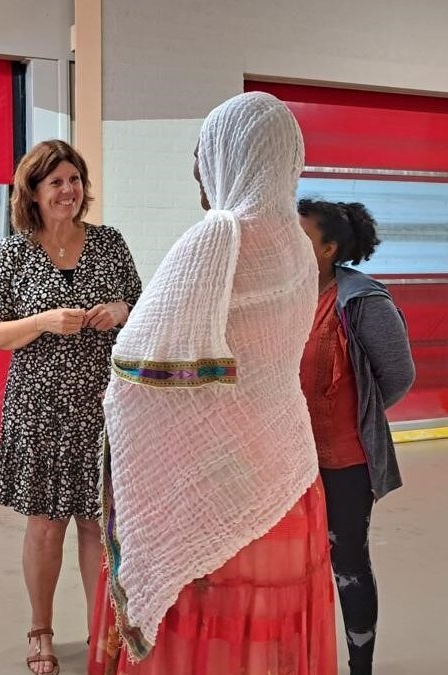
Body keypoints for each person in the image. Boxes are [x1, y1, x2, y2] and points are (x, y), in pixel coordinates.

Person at [90, 92, 337, 675]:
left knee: (203, 636)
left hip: (214, 481)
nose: (197, 168)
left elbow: (136, 369)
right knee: (265, 641)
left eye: (203, 152)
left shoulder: (217, 237)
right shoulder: (301, 248)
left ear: (235, 155)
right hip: (288, 475)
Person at [0, 139, 142, 674]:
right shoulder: (15, 253)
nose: (68, 191)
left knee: (98, 525)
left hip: (103, 407)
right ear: (32, 191)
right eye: (56, 182)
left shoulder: (110, 244)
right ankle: (40, 631)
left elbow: (143, 312)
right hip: (40, 407)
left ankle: (104, 631)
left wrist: (122, 309)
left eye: (74, 180)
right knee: (46, 525)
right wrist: (42, 322)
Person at [298, 199, 415, 675]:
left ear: (327, 249)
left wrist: (357, 411)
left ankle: (360, 665)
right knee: (295, 566)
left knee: (347, 562)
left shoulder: (361, 300)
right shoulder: (284, 293)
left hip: (343, 458)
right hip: (290, 460)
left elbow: (398, 376)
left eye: (300, 236)